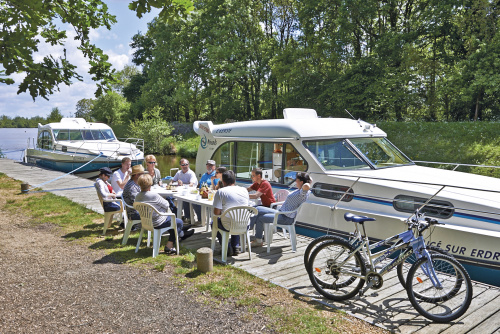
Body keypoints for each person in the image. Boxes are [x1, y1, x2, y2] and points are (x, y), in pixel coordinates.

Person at [249, 172, 312, 247]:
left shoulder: (302, 193)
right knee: (257, 208)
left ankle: (255, 237)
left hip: (285, 218)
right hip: (281, 212)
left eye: (297, 180)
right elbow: (310, 180)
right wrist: (306, 180)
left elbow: (307, 185)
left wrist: (307, 183)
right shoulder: (300, 190)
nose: (295, 182)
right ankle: (250, 228)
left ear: (301, 182)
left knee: (259, 218)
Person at [135, 174, 194, 254]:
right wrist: (161, 208)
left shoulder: (138, 196)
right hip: (157, 222)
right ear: (150, 183)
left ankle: (182, 233)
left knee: (173, 222)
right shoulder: (153, 195)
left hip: (146, 222)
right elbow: (166, 204)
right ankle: (170, 245)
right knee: (178, 222)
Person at [212, 170, 250, 256]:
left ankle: (227, 247)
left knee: (214, 223)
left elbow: (216, 212)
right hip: (244, 224)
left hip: (228, 225)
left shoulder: (221, 191)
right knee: (236, 217)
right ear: (235, 180)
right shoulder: (244, 190)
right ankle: (235, 246)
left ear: (223, 181)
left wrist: (224, 211)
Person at [192, 159, 217, 225]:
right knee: (193, 201)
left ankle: (203, 220)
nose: (209, 167)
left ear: (214, 167)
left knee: (199, 203)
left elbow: (216, 188)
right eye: (208, 165)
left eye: (211, 165)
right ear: (206, 166)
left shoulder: (215, 175)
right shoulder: (204, 175)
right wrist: (195, 189)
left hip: (210, 195)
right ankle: (200, 219)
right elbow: (199, 185)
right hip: (201, 194)